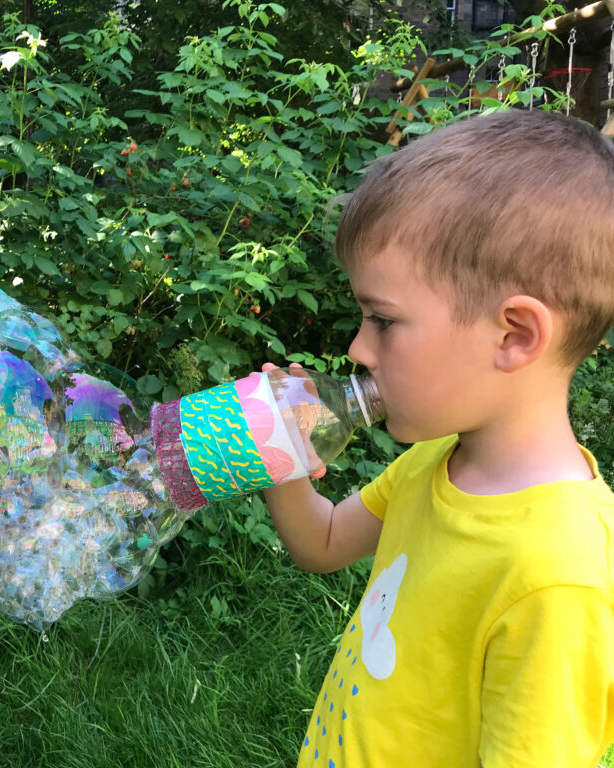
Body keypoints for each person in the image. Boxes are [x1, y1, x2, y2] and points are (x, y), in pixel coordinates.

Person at [263, 110, 614, 767]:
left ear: (514, 335)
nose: (359, 347)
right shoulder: (435, 460)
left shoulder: (559, 575)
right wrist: (281, 453)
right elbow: (325, 543)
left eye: (384, 320)